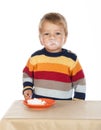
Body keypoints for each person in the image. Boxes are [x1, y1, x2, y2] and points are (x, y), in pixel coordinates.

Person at [22, 12, 86, 101]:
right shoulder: (35, 58)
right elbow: (27, 74)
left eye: (57, 33)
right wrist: (27, 87)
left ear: (65, 37)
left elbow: (80, 82)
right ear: (40, 39)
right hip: (40, 106)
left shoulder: (71, 59)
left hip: (64, 108)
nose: (52, 37)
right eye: (47, 34)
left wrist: (78, 101)